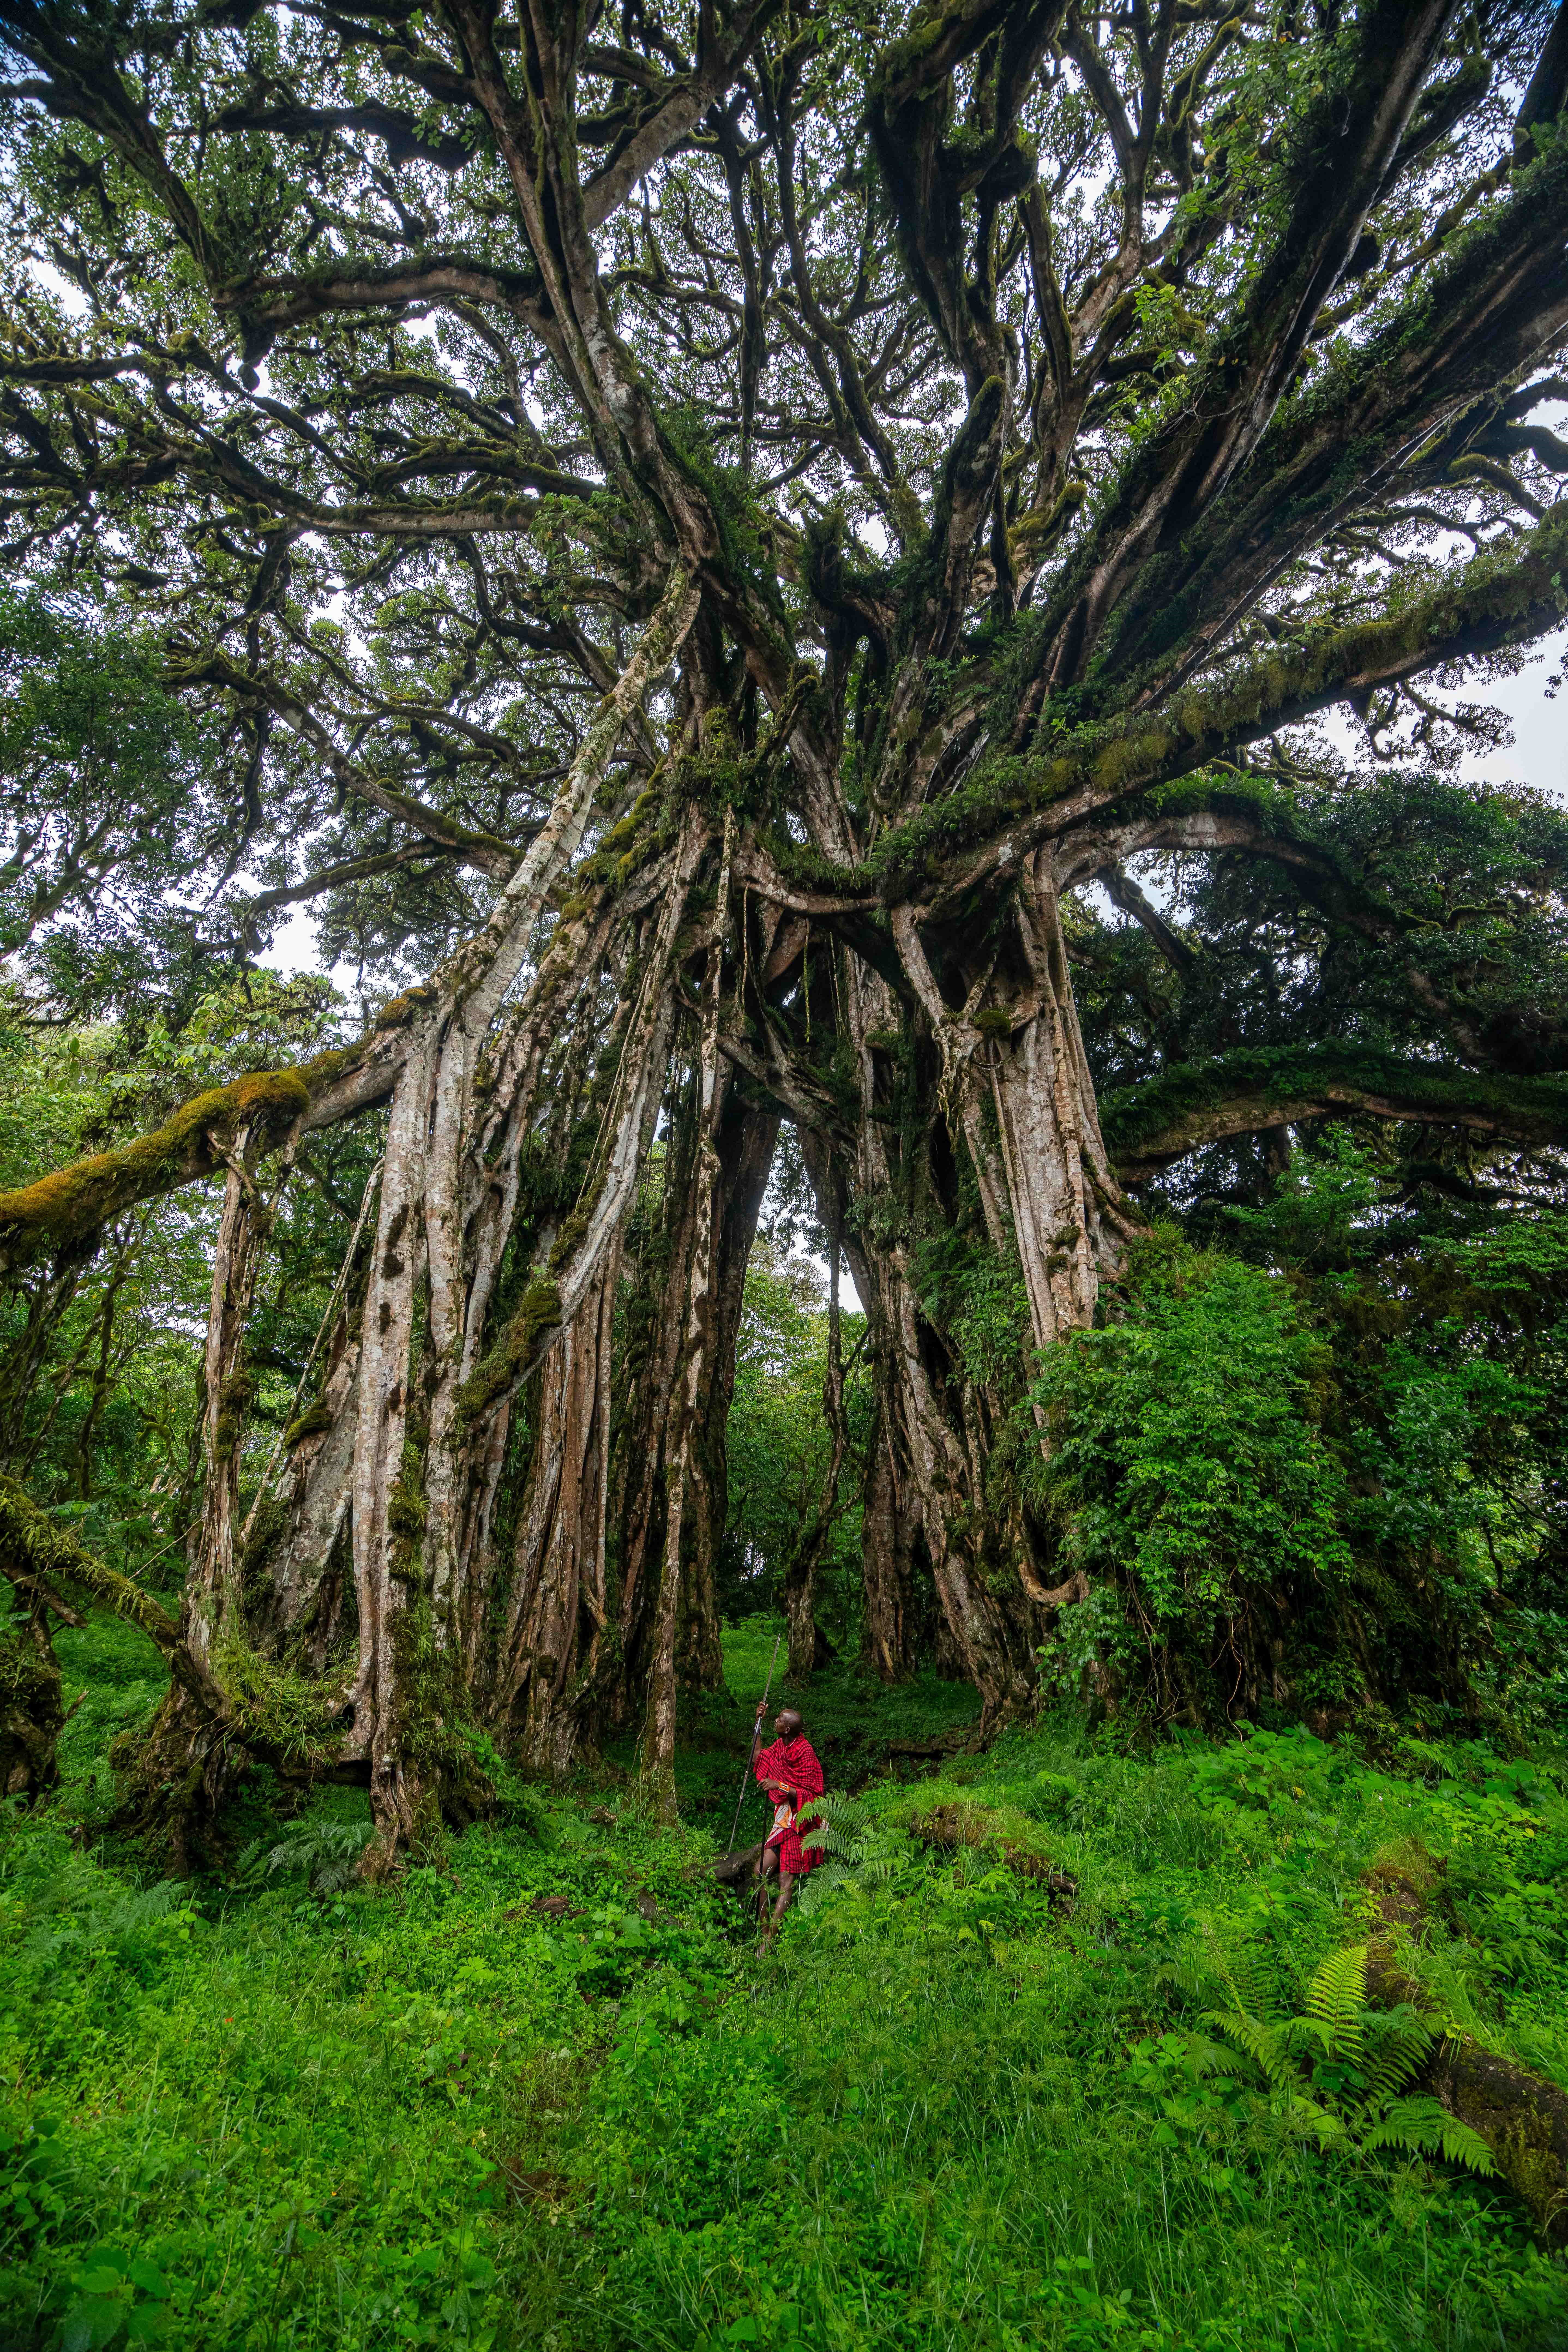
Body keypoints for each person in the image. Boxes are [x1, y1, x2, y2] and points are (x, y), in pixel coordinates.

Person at [751, 1705, 824, 1944]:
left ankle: (769, 1942)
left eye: (780, 1718)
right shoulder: (780, 1746)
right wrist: (758, 1724)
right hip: (783, 1819)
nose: (777, 1719)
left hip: (801, 1821)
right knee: (760, 1872)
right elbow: (758, 1758)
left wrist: (779, 1786)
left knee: (785, 1881)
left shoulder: (805, 1751)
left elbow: (812, 1794)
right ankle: (764, 1932)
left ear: (788, 1728)